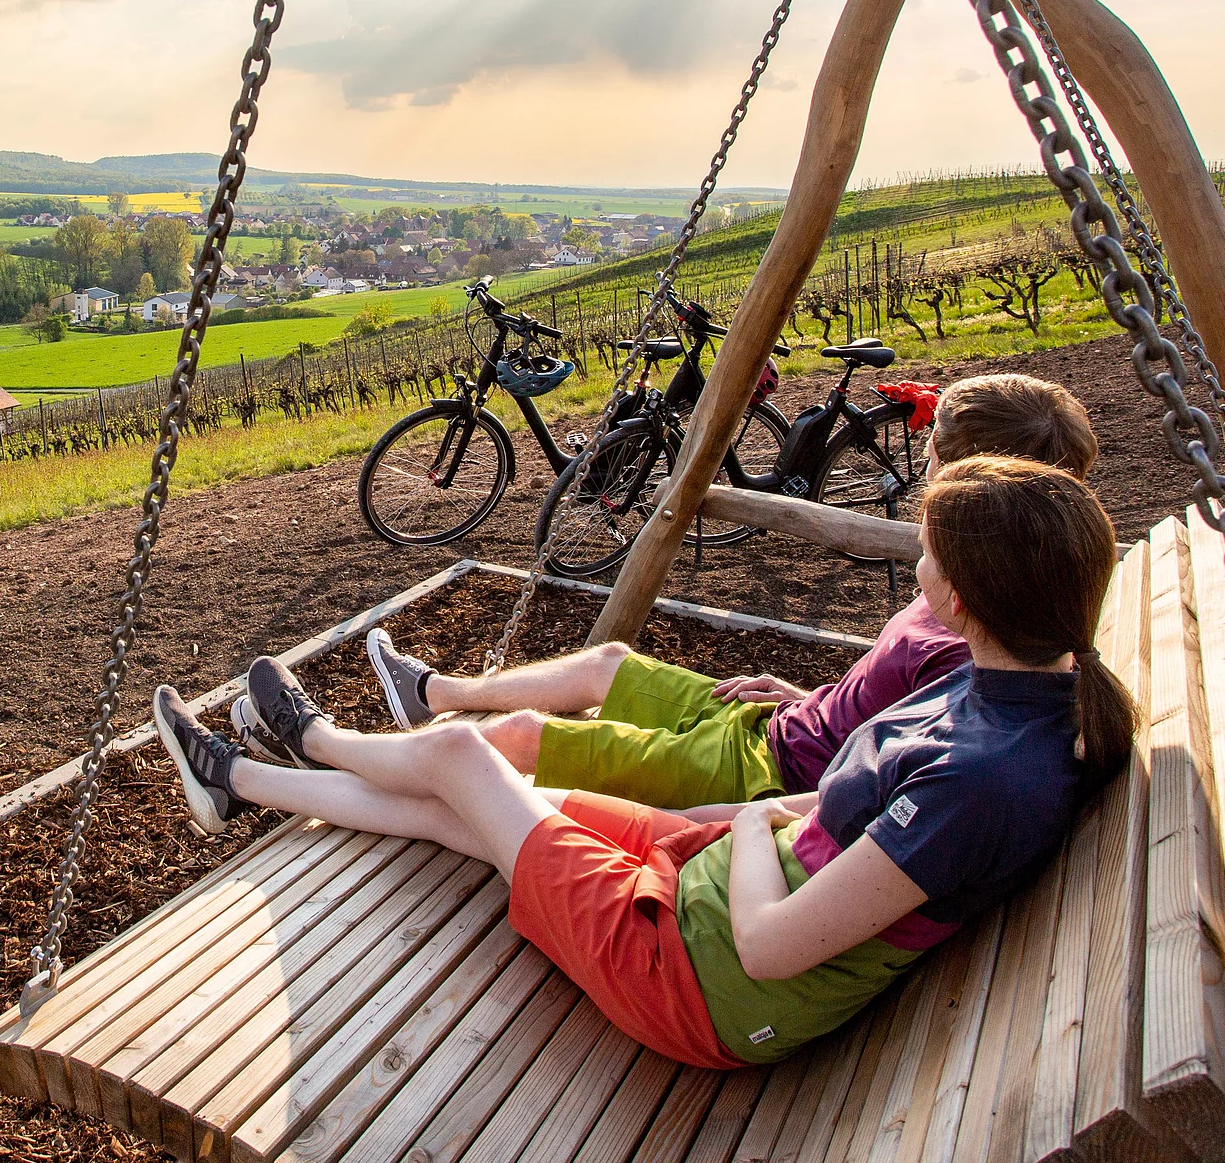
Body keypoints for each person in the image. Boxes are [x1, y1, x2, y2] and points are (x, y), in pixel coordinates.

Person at [152, 455, 1133, 1069]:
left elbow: (772, 947)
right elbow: (855, 833)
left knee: (459, 755)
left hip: (694, 977)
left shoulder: (986, 774)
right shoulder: (1026, 689)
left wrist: (749, 819)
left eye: (927, 557)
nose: (915, 571)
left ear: (962, 599)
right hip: (717, 877)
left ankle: (300, 746)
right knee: (475, 797)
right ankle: (238, 782)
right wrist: (743, 823)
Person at [327, 373, 1098, 811]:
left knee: (532, 734)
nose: (920, 464)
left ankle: (354, 763)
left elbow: (887, 766)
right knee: (607, 664)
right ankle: (432, 695)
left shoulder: (978, 632)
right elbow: (888, 710)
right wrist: (800, 691)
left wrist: (739, 817)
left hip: (771, 771)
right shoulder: (991, 600)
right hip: (789, 722)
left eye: (930, 452)